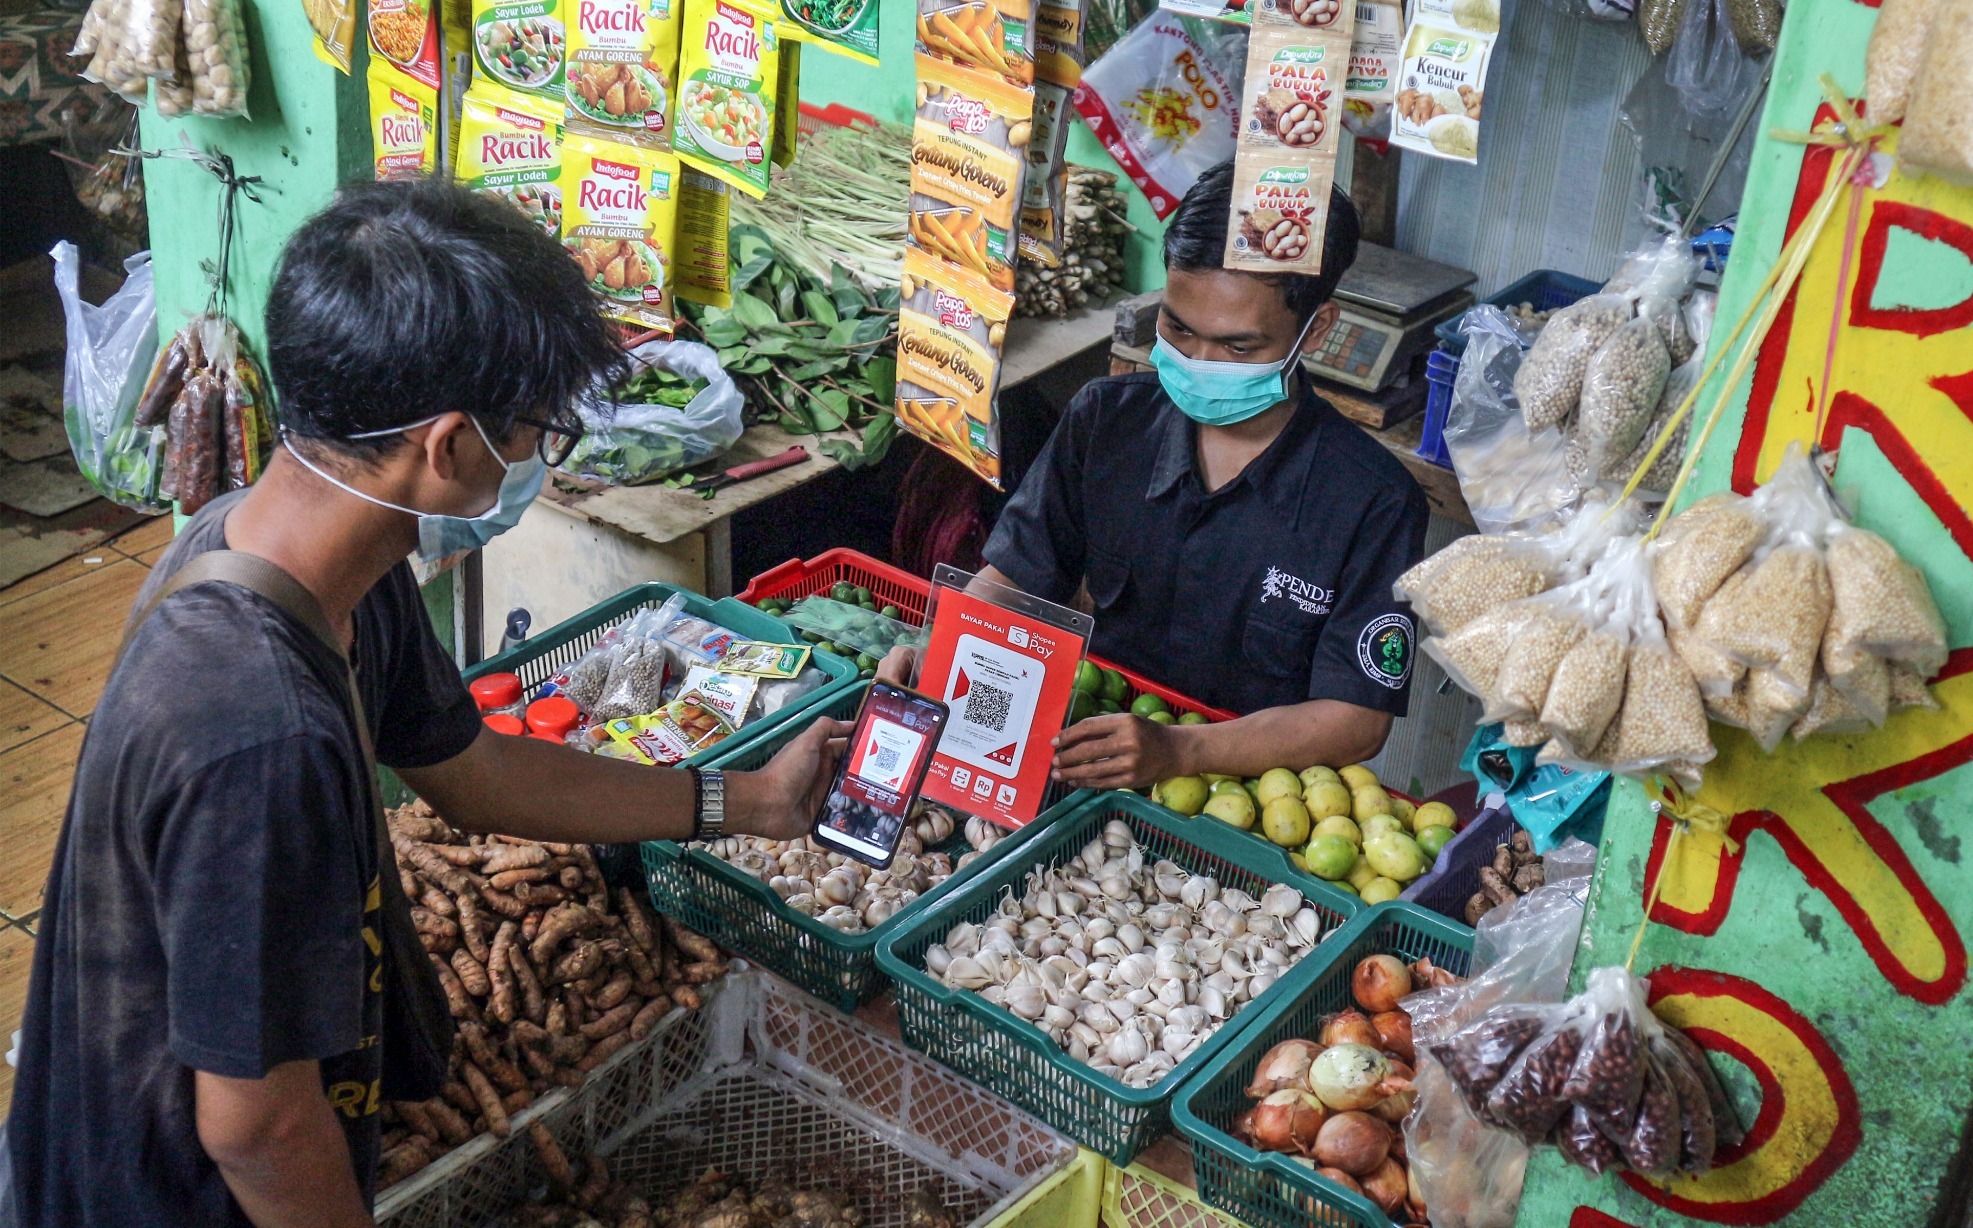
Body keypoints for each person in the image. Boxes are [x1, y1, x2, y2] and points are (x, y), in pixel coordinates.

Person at [6, 179, 846, 1228]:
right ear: (448, 448)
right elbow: (255, 1128)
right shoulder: (259, 732)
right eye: (538, 433)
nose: (540, 460)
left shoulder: (302, 555)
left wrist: (750, 801)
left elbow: (476, 772)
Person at [883, 161, 1428, 791]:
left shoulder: (1372, 499)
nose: (1198, 361)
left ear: (1318, 330)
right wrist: (939, 648)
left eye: (1237, 347)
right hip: (1088, 753)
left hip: (1252, 793)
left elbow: (1357, 720)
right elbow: (1014, 578)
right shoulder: (1106, 421)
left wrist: (1182, 751)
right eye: (1178, 328)